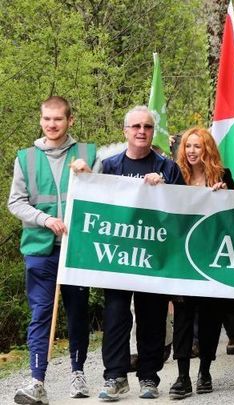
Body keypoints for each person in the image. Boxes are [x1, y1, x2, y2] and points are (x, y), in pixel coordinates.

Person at [72, 105, 185, 401]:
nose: (141, 132)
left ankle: (149, 376)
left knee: (152, 319)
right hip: (118, 259)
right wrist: (84, 177)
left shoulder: (167, 167)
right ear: (125, 131)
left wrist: (164, 189)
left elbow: (184, 210)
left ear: (152, 132)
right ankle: (115, 377)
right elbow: (93, 202)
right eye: (135, 127)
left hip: (153, 259)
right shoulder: (109, 166)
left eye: (147, 127)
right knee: (116, 318)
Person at [8, 96, 99, 404]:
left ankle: (77, 373)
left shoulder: (88, 153)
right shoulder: (26, 158)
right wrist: (45, 220)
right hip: (39, 249)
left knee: (76, 312)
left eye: (57, 119)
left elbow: (106, 195)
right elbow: (15, 202)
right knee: (41, 313)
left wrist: (90, 176)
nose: (51, 124)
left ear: (69, 121)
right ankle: (37, 380)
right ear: (41, 120)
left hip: (76, 248)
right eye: (46, 119)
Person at [168, 127, 234, 399]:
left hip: (213, 258)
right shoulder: (176, 178)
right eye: (188, 146)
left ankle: (205, 371)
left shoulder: (223, 176)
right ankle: (182, 376)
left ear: (207, 149)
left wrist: (225, 196)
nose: (191, 151)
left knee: (210, 317)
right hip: (183, 259)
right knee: (183, 318)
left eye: (197, 146)